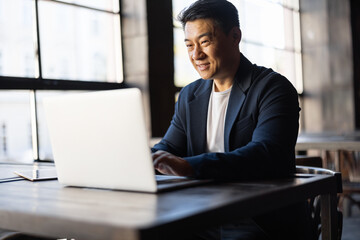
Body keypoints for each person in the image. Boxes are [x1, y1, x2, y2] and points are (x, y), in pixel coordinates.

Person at [152, 0, 311, 239]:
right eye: (189, 45)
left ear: (235, 36)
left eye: (205, 42)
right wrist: (144, 160)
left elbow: (267, 154)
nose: (196, 54)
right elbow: (169, 147)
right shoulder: (189, 95)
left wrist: (190, 167)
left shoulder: (273, 88)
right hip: (199, 211)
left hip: (258, 218)